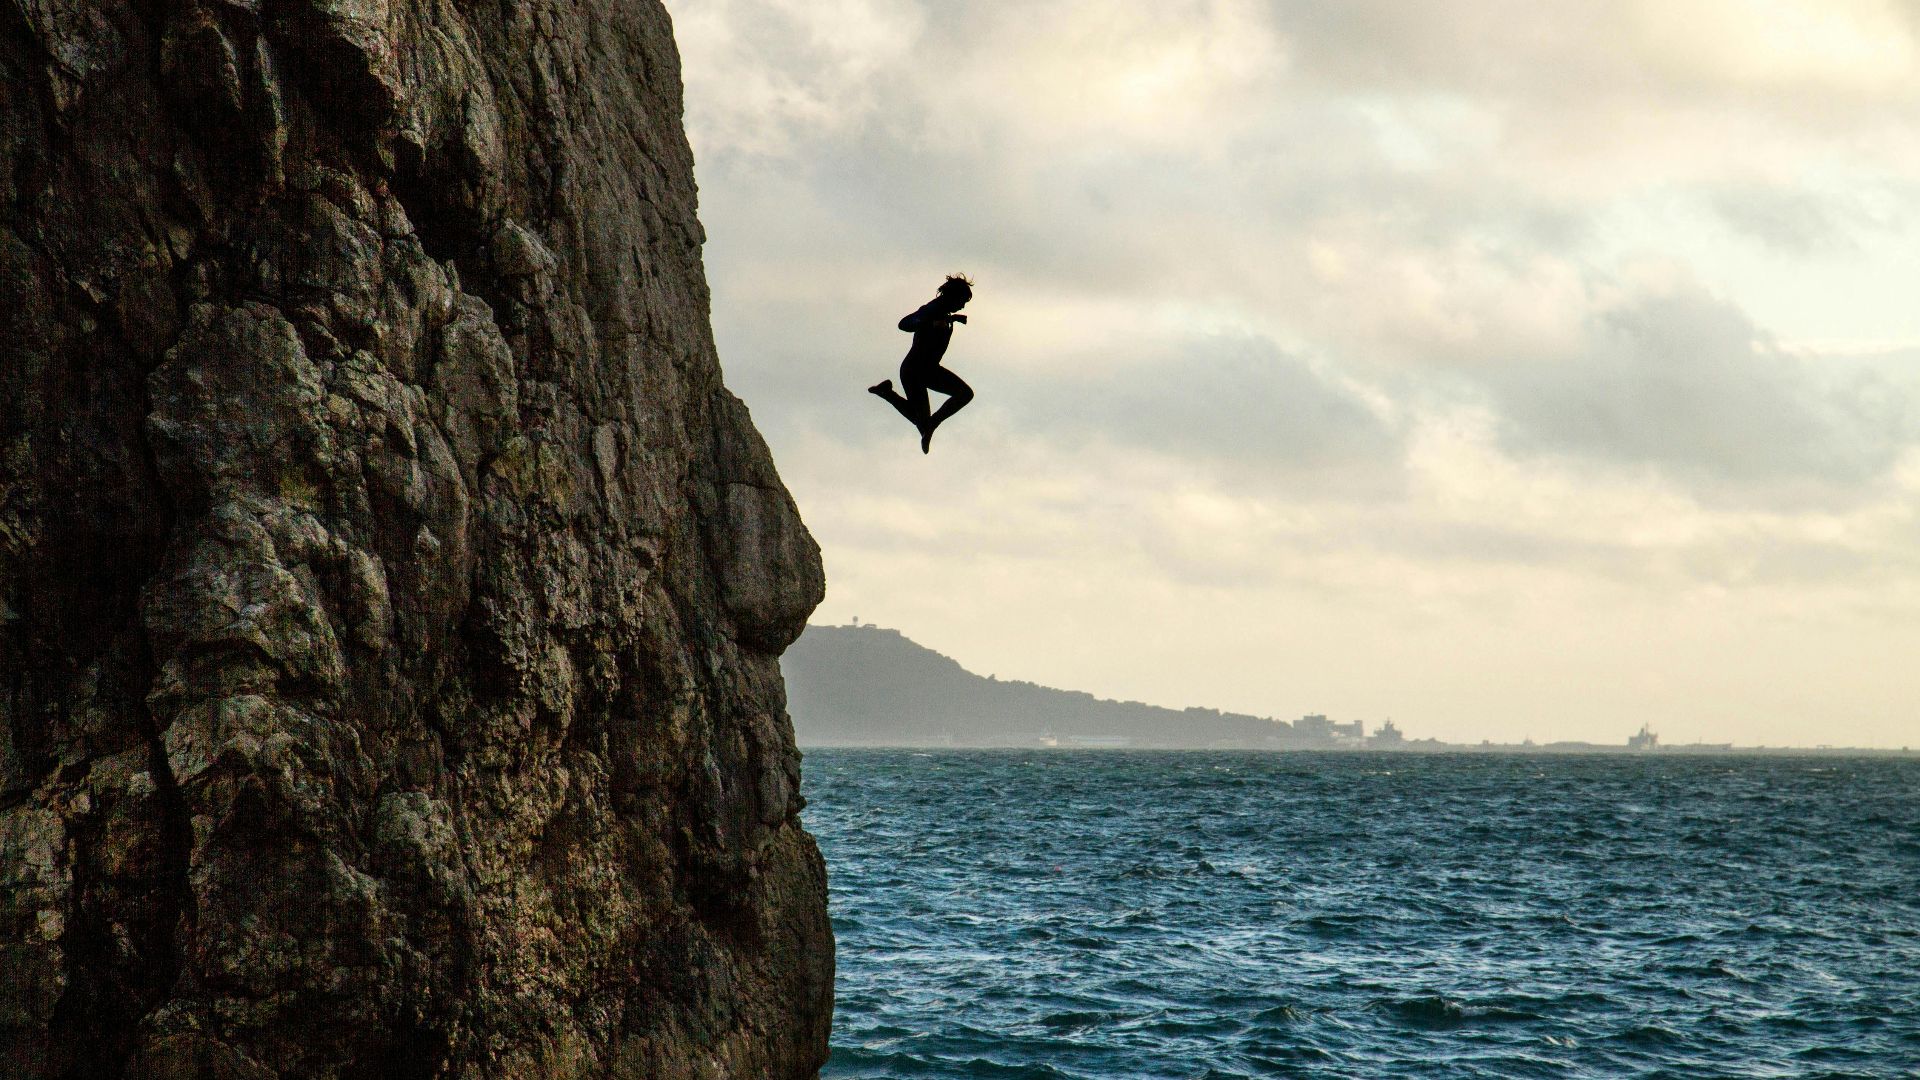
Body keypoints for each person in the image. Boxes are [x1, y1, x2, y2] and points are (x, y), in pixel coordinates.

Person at [869, 275, 974, 453]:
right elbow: (904, 324)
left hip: (929, 370)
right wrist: (931, 322)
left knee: (959, 398)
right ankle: (892, 397)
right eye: (962, 301)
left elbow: (939, 322)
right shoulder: (933, 309)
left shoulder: (943, 313)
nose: (963, 306)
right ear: (953, 297)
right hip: (914, 370)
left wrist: (952, 319)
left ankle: (888, 394)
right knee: (959, 398)